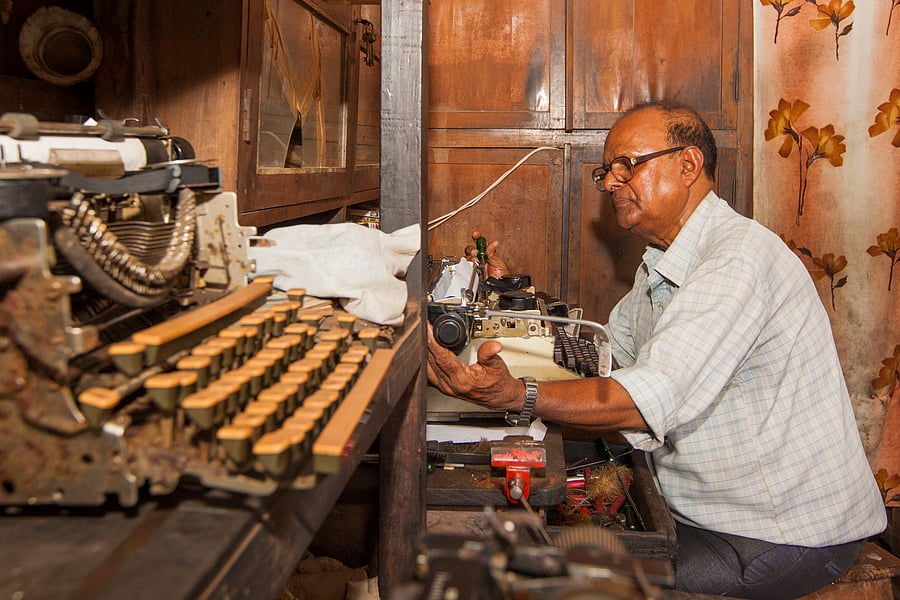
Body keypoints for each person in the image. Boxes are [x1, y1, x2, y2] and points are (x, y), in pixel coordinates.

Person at [425, 99, 887, 599]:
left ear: (688, 164)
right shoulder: (664, 260)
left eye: (628, 165)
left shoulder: (736, 260)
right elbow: (606, 358)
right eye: (607, 171)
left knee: (552, 584)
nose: (610, 183)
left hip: (777, 531)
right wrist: (512, 305)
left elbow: (637, 400)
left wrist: (516, 395)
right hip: (706, 510)